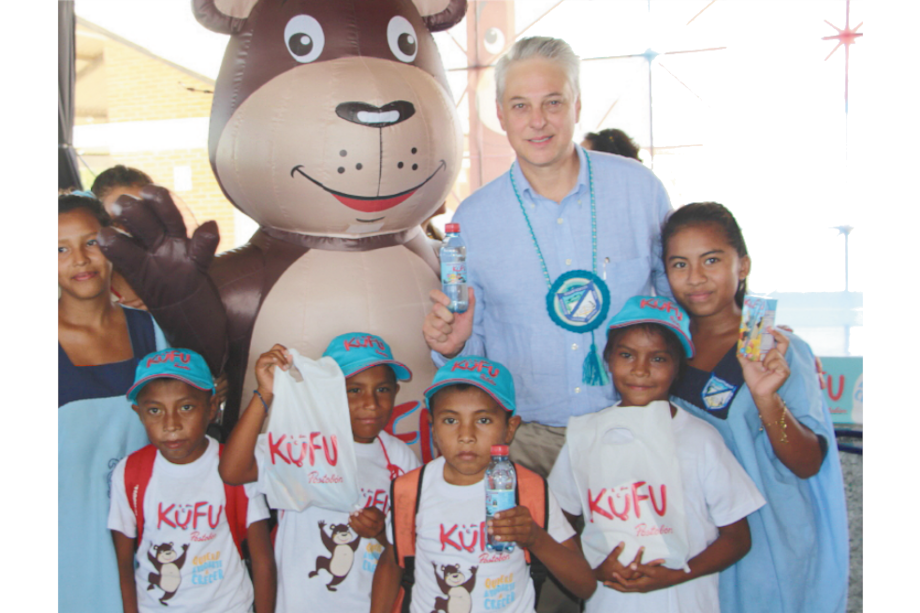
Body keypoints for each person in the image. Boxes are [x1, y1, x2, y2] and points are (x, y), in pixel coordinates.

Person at [422, 36, 672, 481]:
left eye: (553, 102)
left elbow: (679, 304)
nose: (538, 121)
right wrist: (454, 346)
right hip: (526, 443)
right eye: (520, 106)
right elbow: (473, 354)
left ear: (577, 105)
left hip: (631, 428)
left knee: (640, 554)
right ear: (500, 114)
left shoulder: (640, 191)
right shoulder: (475, 220)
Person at [661, 202, 849, 613]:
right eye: (679, 264)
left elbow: (805, 464)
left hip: (769, 550)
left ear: (742, 265)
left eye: (711, 260)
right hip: (691, 548)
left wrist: (767, 400)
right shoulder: (661, 352)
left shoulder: (772, 347)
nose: (695, 278)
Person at [548, 296, 765, 612]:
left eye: (658, 359)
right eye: (627, 355)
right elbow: (556, 523)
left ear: (678, 368)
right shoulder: (586, 437)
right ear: (608, 359)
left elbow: (737, 538)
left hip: (686, 601)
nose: (640, 370)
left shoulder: (700, 439)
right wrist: (592, 570)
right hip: (610, 602)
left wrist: (679, 573)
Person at [370, 355, 596, 613]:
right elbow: (392, 561)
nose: (466, 435)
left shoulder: (527, 488)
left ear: (510, 429)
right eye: (451, 420)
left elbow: (585, 586)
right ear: (432, 426)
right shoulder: (411, 489)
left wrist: (535, 538)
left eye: (483, 420)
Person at [219, 332, 421, 612]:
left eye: (383, 389)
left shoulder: (400, 458)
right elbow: (233, 470)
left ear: (396, 391)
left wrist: (380, 533)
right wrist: (265, 391)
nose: (371, 403)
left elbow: (407, 546)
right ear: (326, 390)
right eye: (354, 390)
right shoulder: (301, 443)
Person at [58, 192, 169, 613]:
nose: (80, 260)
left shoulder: (153, 332)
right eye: (60, 249)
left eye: (91, 242)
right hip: (67, 556)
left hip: (153, 546)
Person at [108, 348, 275, 612]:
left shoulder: (236, 465)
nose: (171, 424)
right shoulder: (130, 472)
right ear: (139, 413)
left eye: (186, 407)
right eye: (154, 410)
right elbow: (123, 563)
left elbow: (263, 560)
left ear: (210, 408)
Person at [90, 165, 199, 309]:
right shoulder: (83, 283)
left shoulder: (185, 266)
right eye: (117, 221)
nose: (131, 229)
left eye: (143, 215)